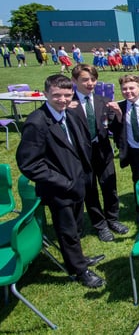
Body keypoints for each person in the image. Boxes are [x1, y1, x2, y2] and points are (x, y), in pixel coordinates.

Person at [16, 74, 105, 288]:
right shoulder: (37, 123)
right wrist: (63, 182)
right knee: (66, 231)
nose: (63, 99)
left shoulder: (69, 114)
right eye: (57, 95)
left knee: (76, 227)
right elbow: (29, 163)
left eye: (67, 95)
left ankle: (80, 259)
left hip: (77, 183)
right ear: (45, 93)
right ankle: (79, 270)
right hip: (59, 189)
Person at [70, 64, 128, 242]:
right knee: (90, 190)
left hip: (103, 152)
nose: (90, 83)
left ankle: (112, 218)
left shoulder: (103, 101)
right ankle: (100, 224)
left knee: (110, 187)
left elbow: (114, 128)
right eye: (85, 80)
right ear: (74, 81)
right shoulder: (68, 104)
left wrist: (118, 116)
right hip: (81, 156)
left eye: (93, 79)